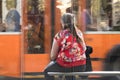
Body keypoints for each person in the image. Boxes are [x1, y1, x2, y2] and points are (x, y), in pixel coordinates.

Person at [44, 13, 87, 80]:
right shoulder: (79, 33)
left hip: (66, 65)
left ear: (62, 23)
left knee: (47, 71)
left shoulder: (60, 35)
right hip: (81, 65)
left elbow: (52, 56)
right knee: (69, 74)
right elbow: (84, 48)